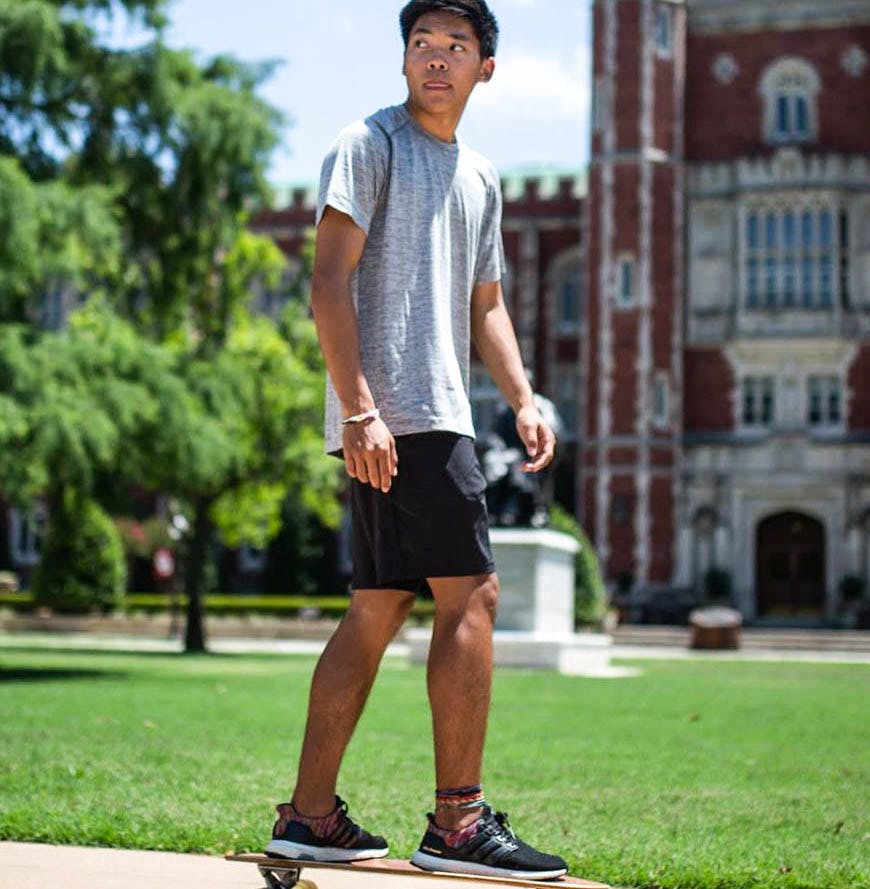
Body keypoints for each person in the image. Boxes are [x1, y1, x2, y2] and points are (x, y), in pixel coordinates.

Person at [264, 0, 565, 880]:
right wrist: (359, 408)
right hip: (402, 414)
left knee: (380, 605)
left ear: (484, 68)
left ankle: (310, 816)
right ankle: (459, 822)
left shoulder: (480, 175)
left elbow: (487, 303)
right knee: (473, 595)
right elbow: (328, 281)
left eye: (455, 46)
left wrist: (523, 396)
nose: (436, 58)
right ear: (404, 61)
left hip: (431, 412)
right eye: (422, 44)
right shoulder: (370, 144)